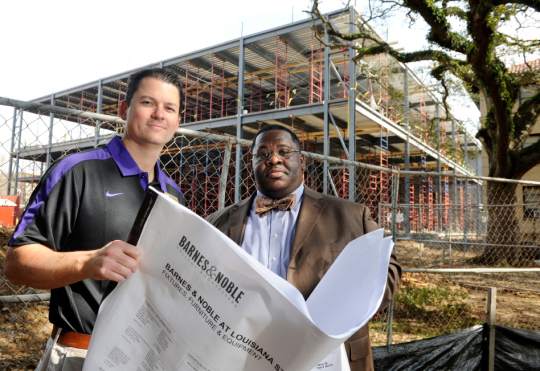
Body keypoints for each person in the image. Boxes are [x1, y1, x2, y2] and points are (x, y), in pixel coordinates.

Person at [4, 68, 184, 370]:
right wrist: (87, 263)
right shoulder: (77, 171)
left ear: (179, 121)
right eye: (147, 103)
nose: (159, 114)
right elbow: (16, 262)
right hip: (80, 353)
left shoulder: (174, 196)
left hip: (147, 358)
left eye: (169, 108)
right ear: (124, 110)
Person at [208, 124, 401, 371]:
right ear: (252, 163)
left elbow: (388, 268)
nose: (274, 159)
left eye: (284, 152)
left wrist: (347, 309)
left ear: (302, 160)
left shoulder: (350, 216)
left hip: (326, 357)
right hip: (243, 356)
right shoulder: (217, 222)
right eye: (263, 154)